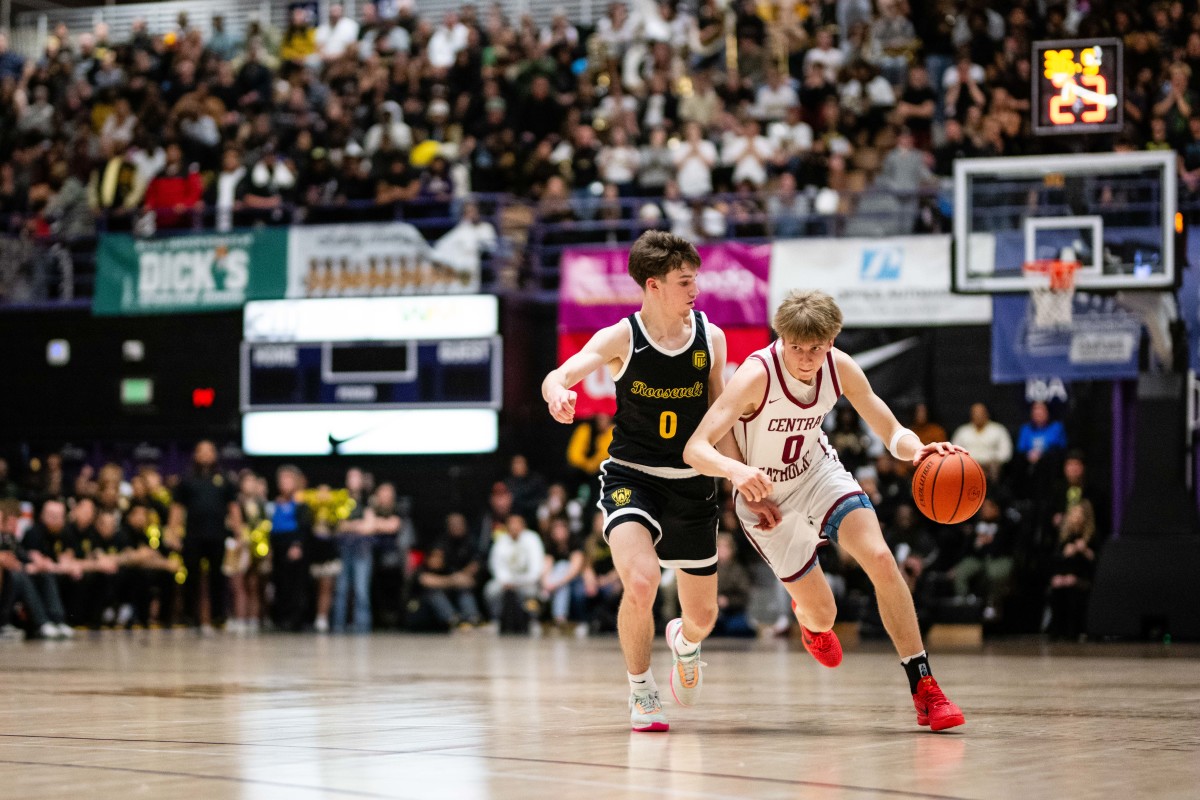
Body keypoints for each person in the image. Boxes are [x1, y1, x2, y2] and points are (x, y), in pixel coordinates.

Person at [683, 290, 966, 731]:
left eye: (817, 347)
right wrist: (738, 475)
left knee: (879, 557)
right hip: (764, 497)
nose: (806, 357)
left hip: (817, 473)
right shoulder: (757, 375)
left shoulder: (840, 367)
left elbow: (889, 427)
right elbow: (696, 448)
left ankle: (924, 684)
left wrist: (919, 450)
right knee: (825, 615)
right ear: (782, 337)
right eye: (796, 346)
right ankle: (810, 621)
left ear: (832, 340)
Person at [542, 229, 727, 732]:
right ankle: (641, 691)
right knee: (642, 579)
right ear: (653, 285)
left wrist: (742, 479)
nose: (695, 289)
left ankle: (685, 644)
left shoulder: (711, 337)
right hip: (632, 476)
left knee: (703, 617)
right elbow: (558, 374)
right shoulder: (621, 337)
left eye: (695, 279)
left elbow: (722, 417)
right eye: (684, 281)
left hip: (693, 481)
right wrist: (558, 392)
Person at [169, 441, 241, 633]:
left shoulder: (224, 479)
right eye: (201, 451)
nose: (206, 454)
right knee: (191, 576)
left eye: (210, 450)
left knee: (218, 577)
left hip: (217, 535)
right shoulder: (187, 479)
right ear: (195, 454)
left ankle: (218, 616)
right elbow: (177, 508)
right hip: (193, 535)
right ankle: (191, 617)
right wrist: (173, 532)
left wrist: (239, 532)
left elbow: (233, 507)